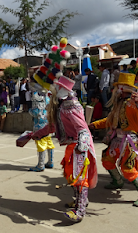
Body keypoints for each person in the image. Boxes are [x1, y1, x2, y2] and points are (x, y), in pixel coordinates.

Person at [32, 76, 97, 222]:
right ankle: (81, 201)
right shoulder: (62, 105)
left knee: (79, 177)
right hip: (72, 145)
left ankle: (80, 211)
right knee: (71, 176)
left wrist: (82, 145)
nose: (52, 90)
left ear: (62, 89)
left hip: (80, 145)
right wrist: (36, 134)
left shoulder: (70, 106)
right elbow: (53, 126)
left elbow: (82, 128)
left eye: (55, 87)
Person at [89, 73, 138, 207]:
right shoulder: (118, 104)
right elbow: (110, 120)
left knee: (128, 168)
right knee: (107, 159)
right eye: (117, 87)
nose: (117, 90)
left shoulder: (134, 102)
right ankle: (117, 181)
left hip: (131, 141)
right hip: (117, 139)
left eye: (119, 87)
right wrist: (94, 125)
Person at [28, 89, 55, 172]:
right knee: (49, 143)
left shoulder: (37, 96)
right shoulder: (48, 97)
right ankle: (50, 162)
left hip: (39, 125)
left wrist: (30, 111)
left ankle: (40, 165)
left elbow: (36, 112)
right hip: (48, 124)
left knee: (41, 144)